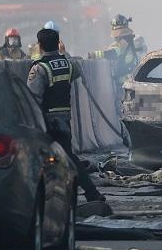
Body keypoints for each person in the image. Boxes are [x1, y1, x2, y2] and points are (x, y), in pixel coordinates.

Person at [26, 28, 104, 203]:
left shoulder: (39, 68)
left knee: (52, 159)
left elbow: (32, 98)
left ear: (40, 46)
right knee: (67, 157)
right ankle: (77, 194)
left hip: (46, 121)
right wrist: (64, 52)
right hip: (65, 119)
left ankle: (86, 193)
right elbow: (76, 72)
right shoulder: (68, 64)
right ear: (58, 43)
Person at [90, 14, 144, 84]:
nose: (116, 38)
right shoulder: (136, 42)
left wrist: (93, 55)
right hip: (135, 80)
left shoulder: (122, 44)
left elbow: (112, 53)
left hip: (125, 83)